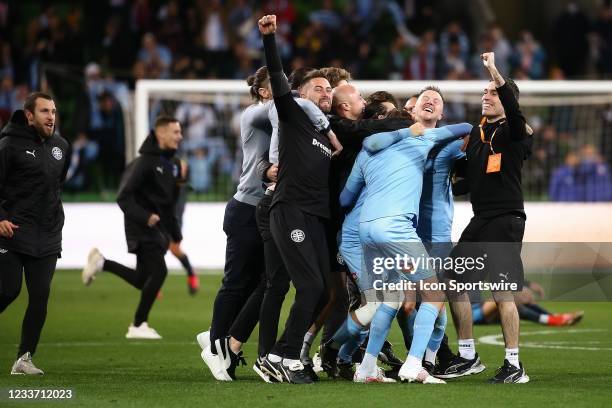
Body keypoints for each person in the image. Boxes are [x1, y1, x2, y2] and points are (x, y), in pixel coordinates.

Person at [257, 15, 340, 384]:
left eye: (329, 89)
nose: (326, 94)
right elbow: (277, 81)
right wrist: (270, 40)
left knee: (324, 290)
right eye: (318, 89)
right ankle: (289, 357)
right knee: (308, 286)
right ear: (301, 94)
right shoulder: (293, 116)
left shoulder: (328, 135)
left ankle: (276, 354)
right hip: (289, 211)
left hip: (315, 218)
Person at [441, 52, 531, 384]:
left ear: (507, 101)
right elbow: (469, 180)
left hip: (505, 219)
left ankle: (514, 365)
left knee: (501, 292)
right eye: (484, 92)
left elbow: (515, 110)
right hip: (481, 220)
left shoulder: (515, 132)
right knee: (452, 280)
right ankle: (468, 356)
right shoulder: (478, 135)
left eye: (492, 93)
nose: (486, 96)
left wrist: (493, 70)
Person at [81, 116, 184, 339]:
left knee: (142, 279)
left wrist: (176, 235)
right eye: (175, 132)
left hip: (158, 229)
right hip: (140, 226)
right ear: (161, 134)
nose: (180, 136)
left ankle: (102, 263)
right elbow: (123, 197)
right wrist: (146, 217)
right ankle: (138, 325)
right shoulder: (144, 162)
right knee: (160, 272)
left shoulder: (174, 165)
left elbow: (169, 205)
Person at [0, 92, 69, 375]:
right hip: (12, 231)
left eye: (53, 111)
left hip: (48, 233)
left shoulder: (61, 146)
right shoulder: (8, 145)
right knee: (8, 289)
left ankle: (23, 359)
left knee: (40, 295)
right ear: (29, 115)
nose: (51, 116)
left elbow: (56, 185)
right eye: (44, 111)